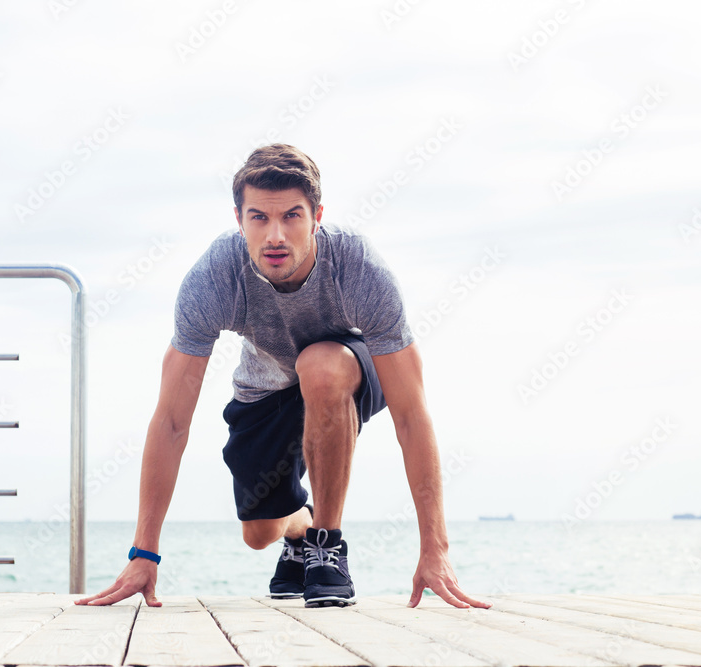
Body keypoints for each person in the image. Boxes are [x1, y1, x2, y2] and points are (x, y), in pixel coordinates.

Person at [75, 144, 488, 609]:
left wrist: (436, 549)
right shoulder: (214, 278)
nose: (275, 235)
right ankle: (301, 527)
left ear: (316, 217)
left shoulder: (359, 270)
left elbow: (412, 415)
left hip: (347, 369)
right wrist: (143, 554)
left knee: (321, 365)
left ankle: (326, 546)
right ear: (239, 219)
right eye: (259, 218)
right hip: (265, 387)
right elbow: (171, 420)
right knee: (258, 533)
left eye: (292, 216)